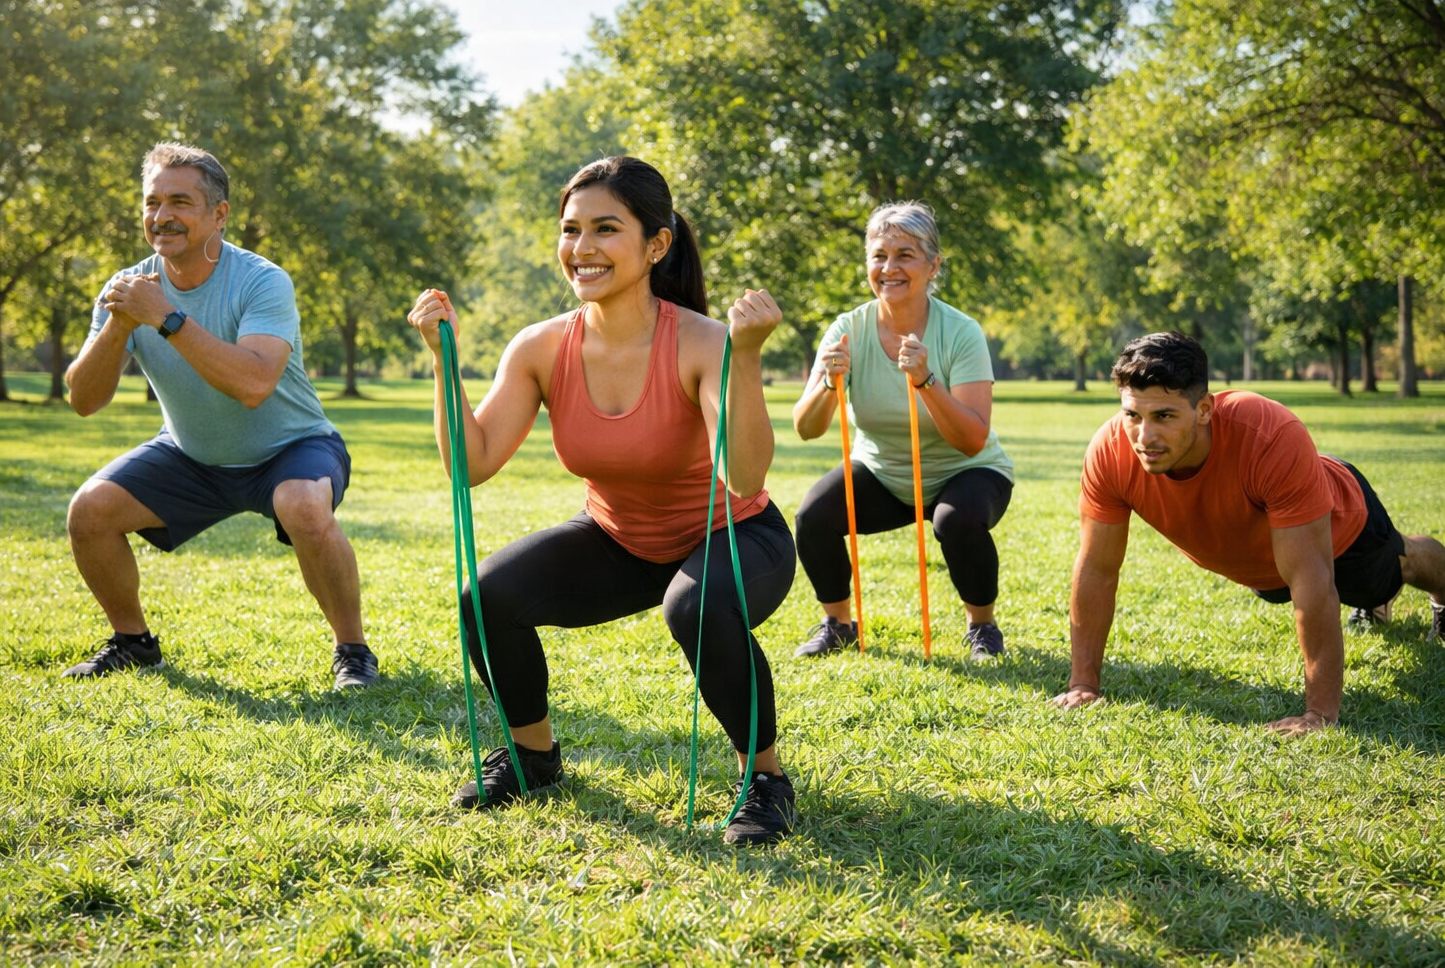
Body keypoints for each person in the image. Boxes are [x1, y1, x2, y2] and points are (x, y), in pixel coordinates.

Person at [407, 156, 798, 846]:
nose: (581, 249)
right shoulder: (540, 346)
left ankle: (763, 780)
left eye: (605, 229)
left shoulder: (705, 342)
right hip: (618, 540)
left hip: (735, 537)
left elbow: (743, 476)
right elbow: (470, 465)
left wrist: (746, 357)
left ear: (655, 245)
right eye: (571, 229)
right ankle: (533, 756)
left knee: (696, 604)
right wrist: (444, 361)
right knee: (486, 594)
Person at [62, 142, 377, 689]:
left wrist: (165, 317)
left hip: (292, 447)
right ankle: (133, 643)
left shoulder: (261, 280)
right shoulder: (128, 288)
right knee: (90, 510)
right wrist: (119, 324)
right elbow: (84, 400)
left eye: (180, 202)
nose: (162, 217)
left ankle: (353, 651)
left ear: (219, 214)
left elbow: (254, 384)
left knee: (302, 504)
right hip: (191, 455)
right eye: (152, 203)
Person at [1053, 331, 1445, 735]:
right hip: (1267, 566)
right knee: (1287, 586)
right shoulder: (1110, 451)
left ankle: (1435, 594)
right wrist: (1084, 685)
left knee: (1397, 568)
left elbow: (1312, 577)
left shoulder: (1268, 433)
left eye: (1165, 416)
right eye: (1133, 415)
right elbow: (1098, 568)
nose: (1144, 437)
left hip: (1343, 529)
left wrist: (1319, 714)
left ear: (1204, 410)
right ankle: (1371, 605)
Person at [791, 201, 1014, 660]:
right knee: (813, 515)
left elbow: (972, 437)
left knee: (957, 519)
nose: (889, 267)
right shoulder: (846, 330)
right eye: (879, 255)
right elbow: (807, 428)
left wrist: (925, 382)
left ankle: (983, 627)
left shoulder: (961, 332)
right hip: (885, 473)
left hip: (967, 471)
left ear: (933, 265)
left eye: (905, 255)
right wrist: (828, 386)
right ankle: (838, 624)